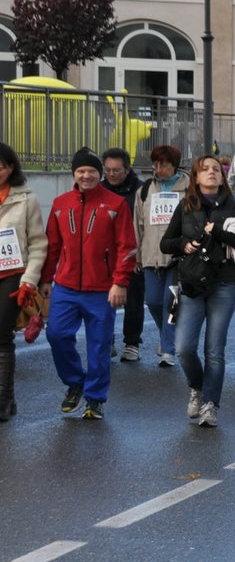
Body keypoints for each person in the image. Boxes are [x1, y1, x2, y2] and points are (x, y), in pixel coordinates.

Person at [160, 154, 235, 427]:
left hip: (225, 284)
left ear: (222, 177)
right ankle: (196, 386)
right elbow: (165, 243)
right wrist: (183, 244)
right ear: (196, 177)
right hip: (192, 285)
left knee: (214, 350)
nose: (212, 173)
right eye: (205, 169)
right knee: (183, 348)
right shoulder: (186, 207)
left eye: (216, 169)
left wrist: (218, 231)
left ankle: (211, 405)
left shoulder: (234, 207)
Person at [42, 148, 138, 420]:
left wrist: (120, 282)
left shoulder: (115, 204)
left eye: (92, 171)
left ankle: (95, 398)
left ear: (100, 174)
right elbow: (52, 246)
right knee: (56, 335)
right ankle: (75, 382)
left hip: (102, 289)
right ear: (74, 174)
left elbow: (127, 247)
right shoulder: (61, 204)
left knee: (98, 346)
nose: (86, 176)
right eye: (81, 171)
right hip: (66, 286)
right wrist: (47, 280)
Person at [0, 142, 47, 420]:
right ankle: (10, 396)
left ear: (11, 168)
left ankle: (2, 400)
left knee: (2, 334)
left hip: (12, 276)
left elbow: (38, 244)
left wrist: (29, 280)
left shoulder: (26, 198)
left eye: (2, 166)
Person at [132, 144, 189, 368]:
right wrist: (136, 253)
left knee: (171, 303)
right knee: (154, 302)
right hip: (151, 255)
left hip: (178, 257)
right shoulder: (145, 190)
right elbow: (138, 223)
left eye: (163, 164)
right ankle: (169, 336)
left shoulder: (189, 188)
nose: (158, 168)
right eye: (155, 164)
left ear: (174, 165)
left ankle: (168, 350)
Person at [101, 148, 145, 361]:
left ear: (127, 170)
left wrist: (140, 255)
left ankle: (132, 342)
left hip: (132, 252)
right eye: (107, 170)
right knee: (104, 300)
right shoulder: (99, 189)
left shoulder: (140, 191)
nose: (111, 174)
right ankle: (107, 340)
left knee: (133, 299)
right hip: (105, 255)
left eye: (116, 170)